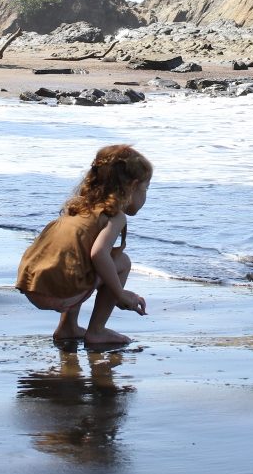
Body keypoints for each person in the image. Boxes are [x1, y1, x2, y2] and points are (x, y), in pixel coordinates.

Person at [16, 144, 152, 346]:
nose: (145, 196)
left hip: (31, 286)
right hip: (60, 293)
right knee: (121, 262)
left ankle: (67, 327)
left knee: (77, 258)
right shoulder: (115, 216)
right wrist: (120, 294)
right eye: (145, 188)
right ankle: (96, 330)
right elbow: (99, 254)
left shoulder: (78, 207)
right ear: (132, 186)